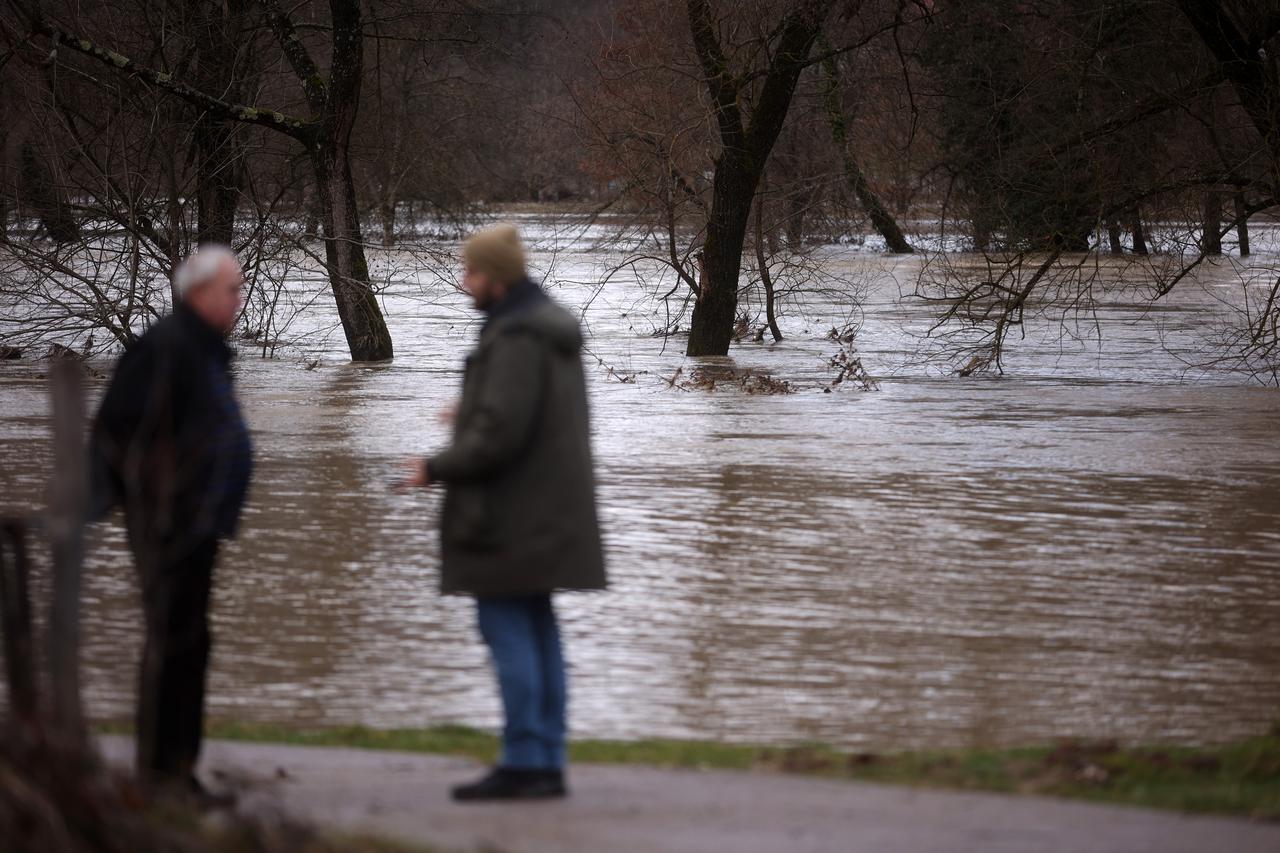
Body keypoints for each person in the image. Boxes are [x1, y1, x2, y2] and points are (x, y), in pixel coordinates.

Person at [403, 224, 606, 801]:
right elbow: (519, 413)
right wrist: (469, 409)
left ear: (493, 276)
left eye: (470, 272)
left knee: (507, 628)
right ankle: (545, 758)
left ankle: (525, 762)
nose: (465, 283)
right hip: (544, 510)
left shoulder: (517, 335)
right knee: (536, 629)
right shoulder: (543, 328)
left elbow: (498, 436)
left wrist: (434, 467)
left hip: (513, 514)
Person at [89, 245, 252, 805]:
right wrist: (106, 507)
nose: (239, 300)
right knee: (173, 642)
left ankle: (178, 773)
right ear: (200, 293)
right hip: (168, 524)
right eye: (232, 290)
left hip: (199, 525)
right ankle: (160, 776)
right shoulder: (164, 347)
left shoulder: (207, 349)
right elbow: (113, 431)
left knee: (191, 643)